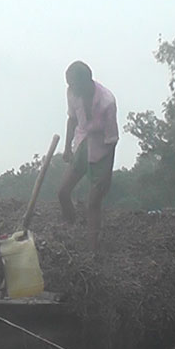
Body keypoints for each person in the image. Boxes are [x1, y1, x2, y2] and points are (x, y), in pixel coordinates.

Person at [57, 61, 118, 251]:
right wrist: (67, 148)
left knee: (93, 203)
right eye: (69, 84)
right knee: (62, 192)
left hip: (103, 148)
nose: (70, 88)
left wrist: (106, 173)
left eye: (73, 84)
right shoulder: (72, 93)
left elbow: (112, 139)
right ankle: (71, 227)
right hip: (83, 142)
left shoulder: (107, 102)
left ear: (86, 82)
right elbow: (72, 119)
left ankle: (93, 250)